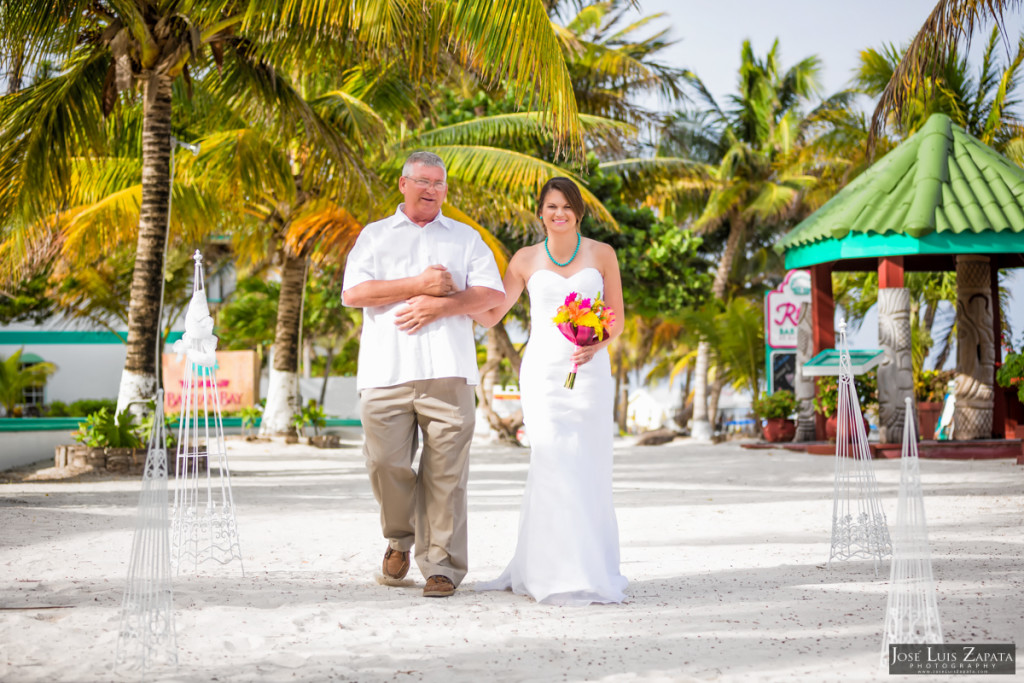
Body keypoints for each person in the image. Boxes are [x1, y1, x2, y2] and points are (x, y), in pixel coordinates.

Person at [342, 151, 505, 598]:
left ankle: (442, 567)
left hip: (449, 371)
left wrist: (442, 305)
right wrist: (420, 284)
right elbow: (354, 292)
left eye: (439, 183)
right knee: (384, 463)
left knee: (447, 474)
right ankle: (399, 539)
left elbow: (491, 294)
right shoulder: (374, 236)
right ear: (403, 184)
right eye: (423, 181)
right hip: (384, 372)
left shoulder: (465, 238)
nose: (432, 189)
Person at [473, 177, 628, 605]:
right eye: (550, 206)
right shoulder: (524, 259)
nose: (558, 213)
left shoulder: (602, 254)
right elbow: (492, 314)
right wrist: (449, 301)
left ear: (578, 211)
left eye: (566, 206)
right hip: (542, 375)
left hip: (591, 373)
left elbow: (615, 317)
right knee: (551, 460)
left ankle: (591, 566)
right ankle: (548, 570)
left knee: (589, 463)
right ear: (539, 212)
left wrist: (598, 342)